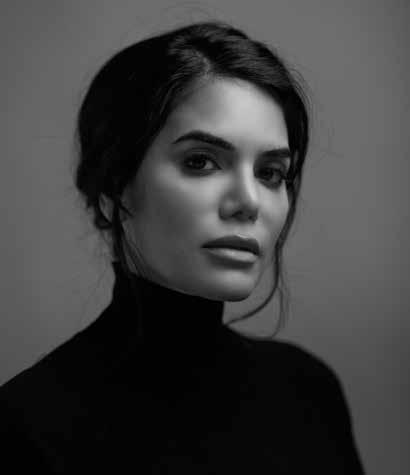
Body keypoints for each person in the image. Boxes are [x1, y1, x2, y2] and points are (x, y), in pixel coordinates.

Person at [0, 21, 365, 474]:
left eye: (270, 173)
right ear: (112, 190)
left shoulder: (309, 393)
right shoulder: (26, 425)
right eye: (201, 161)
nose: (249, 202)